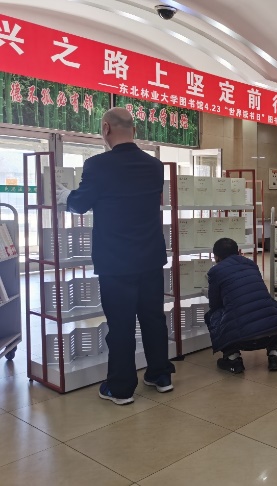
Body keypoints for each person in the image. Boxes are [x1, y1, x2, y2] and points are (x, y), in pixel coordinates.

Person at [56, 107, 175, 405]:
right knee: (153, 318)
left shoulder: (97, 165)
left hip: (116, 261)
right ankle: (160, 375)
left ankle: (121, 388)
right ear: (134, 129)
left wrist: (64, 196)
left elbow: (80, 204)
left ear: (106, 128)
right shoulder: (154, 166)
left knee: (121, 324)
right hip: (151, 257)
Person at [205, 238, 277, 374]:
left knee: (213, 315)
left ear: (216, 256)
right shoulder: (251, 264)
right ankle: (275, 355)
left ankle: (233, 358)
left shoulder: (215, 272)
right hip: (272, 330)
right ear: (238, 252)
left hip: (241, 338)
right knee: (273, 306)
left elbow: (214, 304)